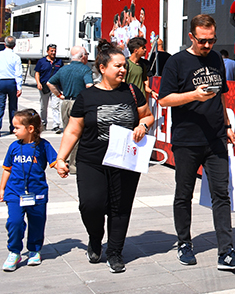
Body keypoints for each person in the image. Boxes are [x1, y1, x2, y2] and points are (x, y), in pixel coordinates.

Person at [158, 14, 235, 271]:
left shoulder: (217, 58)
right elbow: (164, 100)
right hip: (186, 139)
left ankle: (226, 251)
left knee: (222, 194)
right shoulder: (176, 62)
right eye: (202, 41)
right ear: (191, 37)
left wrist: (228, 125)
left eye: (211, 40)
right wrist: (193, 96)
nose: (207, 46)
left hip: (216, 137)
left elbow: (222, 96)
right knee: (183, 194)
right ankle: (184, 243)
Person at [54, 44, 154, 274]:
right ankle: (95, 237)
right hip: (91, 160)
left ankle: (115, 253)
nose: (122, 70)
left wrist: (141, 125)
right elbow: (72, 130)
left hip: (124, 161)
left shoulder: (131, 92)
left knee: (120, 208)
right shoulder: (86, 96)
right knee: (91, 205)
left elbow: (147, 116)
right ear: (102, 67)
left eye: (124, 66)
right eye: (117, 66)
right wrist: (62, 158)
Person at [0, 109, 57, 271]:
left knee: (37, 222)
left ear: (30, 129)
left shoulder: (43, 146)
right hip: (14, 192)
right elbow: (7, 169)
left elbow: (55, 161)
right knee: (14, 221)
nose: (13, 131)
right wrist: (2, 188)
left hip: (37, 193)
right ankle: (14, 251)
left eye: (17, 128)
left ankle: (34, 250)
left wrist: (61, 167)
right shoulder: (13, 147)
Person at [47, 46, 94, 175]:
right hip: (79, 104)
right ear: (83, 56)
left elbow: (50, 83)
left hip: (66, 102)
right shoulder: (85, 70)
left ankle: (64, 158)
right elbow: (89, 86)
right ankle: (74, 164)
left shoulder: (63, 69)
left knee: (67, 132)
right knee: (77, 134)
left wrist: (59, 95)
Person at [0, 37, 23, 137]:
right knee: (13, 106)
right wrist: (19, 86)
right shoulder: (16, 57)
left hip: (0, 81)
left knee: (0, 105)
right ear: (14, 45)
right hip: (11, 81)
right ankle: (13, 127)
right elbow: (18, 73)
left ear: (5, 44)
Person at [34, 44, 63, 133]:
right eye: (51, 51)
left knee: (55, 106)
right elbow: (37, 73)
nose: (53, 53)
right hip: (44, 87)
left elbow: (62, 73)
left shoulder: (59, 62)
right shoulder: (41, 61)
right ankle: (43, 123)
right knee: (43, 106)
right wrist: (38, 83)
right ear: (47, 51)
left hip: (55, 87)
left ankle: (56, 125)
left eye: (54, 51)